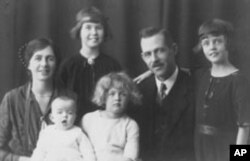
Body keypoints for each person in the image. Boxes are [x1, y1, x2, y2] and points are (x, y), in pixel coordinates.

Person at [133, 27, 195, 161]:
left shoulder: (196, 86)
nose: (154, 59)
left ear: (174, 49)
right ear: (143, 57)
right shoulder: (138, 91)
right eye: (148, 54)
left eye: (159, 51)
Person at [194, 18, 250, 161]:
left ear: (228, 42)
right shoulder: (202, 75)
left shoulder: (239, 80)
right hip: (201, 147)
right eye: (206, 43)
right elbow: (179, 73)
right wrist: (151, 72)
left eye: (217, 41)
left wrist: (239, 157)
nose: (211, 47)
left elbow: (244, 127)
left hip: (225, 149)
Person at [0, 38, 62, 161]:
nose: (44, 64)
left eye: (50, 58)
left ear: (56, 64)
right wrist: (20, 159)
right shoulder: (12, 99)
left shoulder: (69, 98)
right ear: (28, 64)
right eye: (38, 58)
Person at [58, 6, 121, 124]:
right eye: (88, 27)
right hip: (73, 127)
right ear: (79, 31)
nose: (94, 32)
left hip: (106, 127)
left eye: (98, 28)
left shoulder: (112, 65)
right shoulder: (68, 66)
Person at [81, 72, 141, 161]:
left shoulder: (130, 125)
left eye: (123, 94)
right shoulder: (88, 119)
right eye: (112, 94)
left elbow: (131, 155)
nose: (117, 98)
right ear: (104, 96)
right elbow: (80, 146)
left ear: (130, 98)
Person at [31, 93, 96, 161]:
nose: (65, 115)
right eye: (60, 112)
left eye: (70, 113)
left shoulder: (78, 133)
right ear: (52, 117)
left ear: (75, 117)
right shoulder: (47, 132)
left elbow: (88, 152)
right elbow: (39, 152)